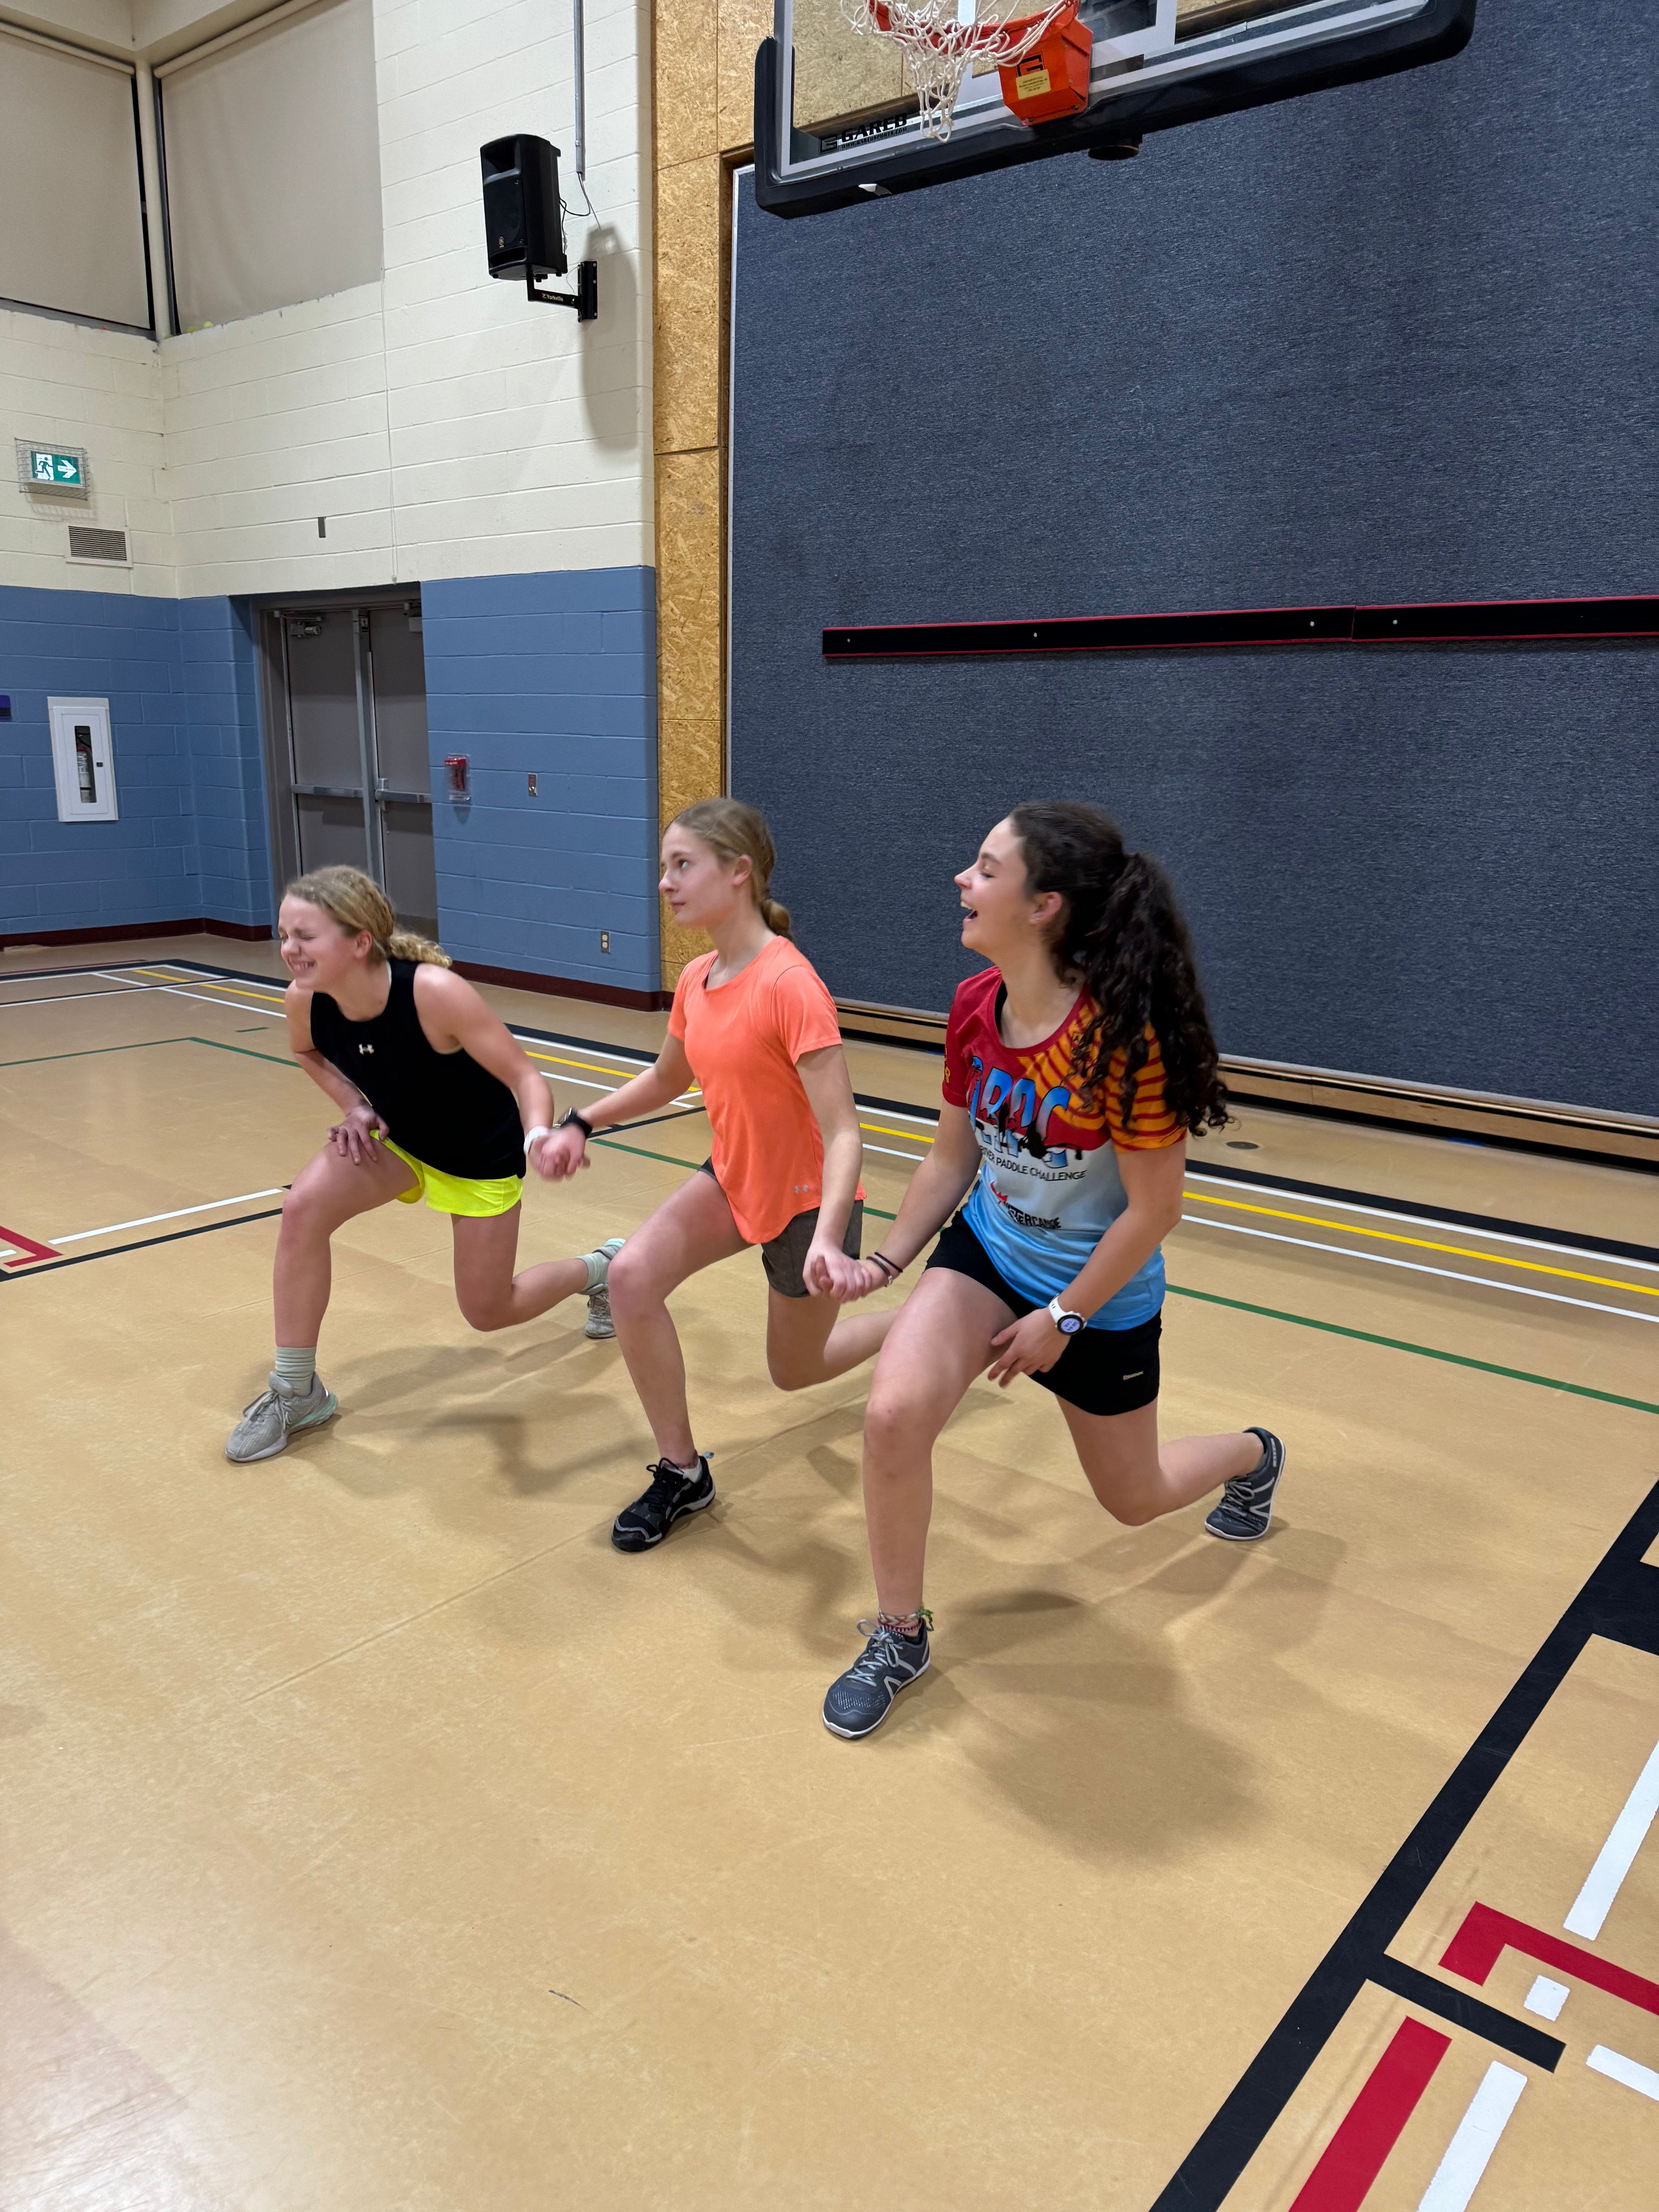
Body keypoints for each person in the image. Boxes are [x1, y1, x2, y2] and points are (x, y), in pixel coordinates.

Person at [820, 801, 1286, 1738]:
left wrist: (1064, 1318)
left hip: (1097, 1297)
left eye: (986, 867)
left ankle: (1253, 1455)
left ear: (1044, 906)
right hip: (991, 1249)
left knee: (1134, 1498)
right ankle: (899, 1633)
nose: (963, 878)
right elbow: (953, 1160)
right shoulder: (971, 1008)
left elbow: (1156, 1211)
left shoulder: (1123, 1042)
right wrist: (885, 1260)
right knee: (893, 1415)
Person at [539, 799, 891, 1550]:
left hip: (807, 1206)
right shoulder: (698, 976)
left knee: (795, 1371)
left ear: (740, 873)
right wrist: (582, 1121)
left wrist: (830, 1239)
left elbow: (845, 1132)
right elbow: (668, 1078)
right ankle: (682, 1470)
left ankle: (925, 1329)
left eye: (682, 864)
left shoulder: (791, 984)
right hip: (733, 1181)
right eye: (663, 866)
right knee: (632, 1278)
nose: (665, 881)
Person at [226, 866, 622, 1463]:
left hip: (476, 1155)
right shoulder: (304, 1002)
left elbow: (522, 1074)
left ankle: (601, 1270)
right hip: (401, 1140)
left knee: (489, 1310)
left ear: (359, 941)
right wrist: (355, 1105)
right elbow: (307, 1053)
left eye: (305, 935)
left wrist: (538, 1133)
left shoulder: (432, 993)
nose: (289, 949)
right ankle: (295, 1391)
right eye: (285, 935)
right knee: (302, 1209)